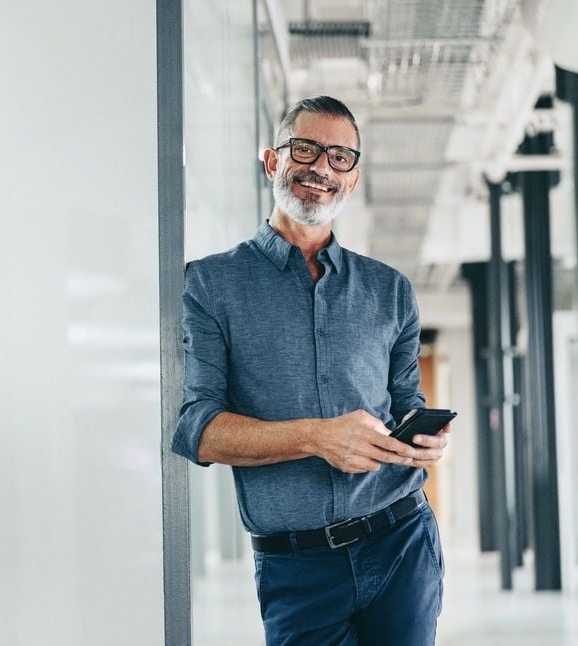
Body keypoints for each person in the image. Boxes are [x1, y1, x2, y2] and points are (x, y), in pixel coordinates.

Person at [169, 95, 450, 646]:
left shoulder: (390, 290)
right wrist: (317, 438)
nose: (321, 167)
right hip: (297, 568)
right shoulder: (210, 284)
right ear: (273, 161)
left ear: (352, 178)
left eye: (340, 157)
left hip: (402, 542)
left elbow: (405, 405)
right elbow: (198, 430)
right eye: (306, 149)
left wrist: (426, 440)